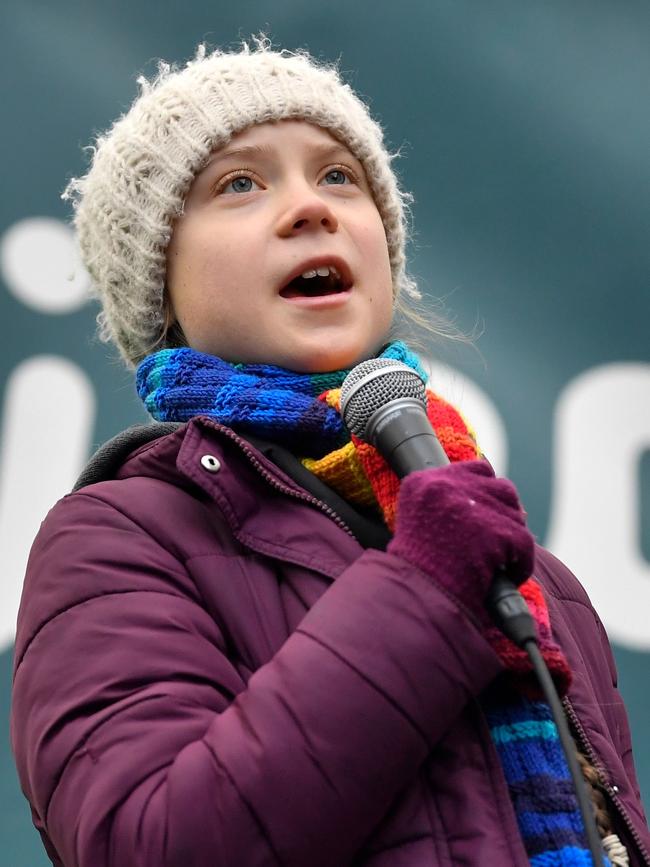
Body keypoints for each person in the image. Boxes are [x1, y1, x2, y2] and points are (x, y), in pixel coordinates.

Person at [10, 41, 650, 867]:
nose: (311, 208)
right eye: (239, 183)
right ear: (159, 285)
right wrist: (423, 594)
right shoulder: (116, 539)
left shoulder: (536, 582)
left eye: (340, 177)